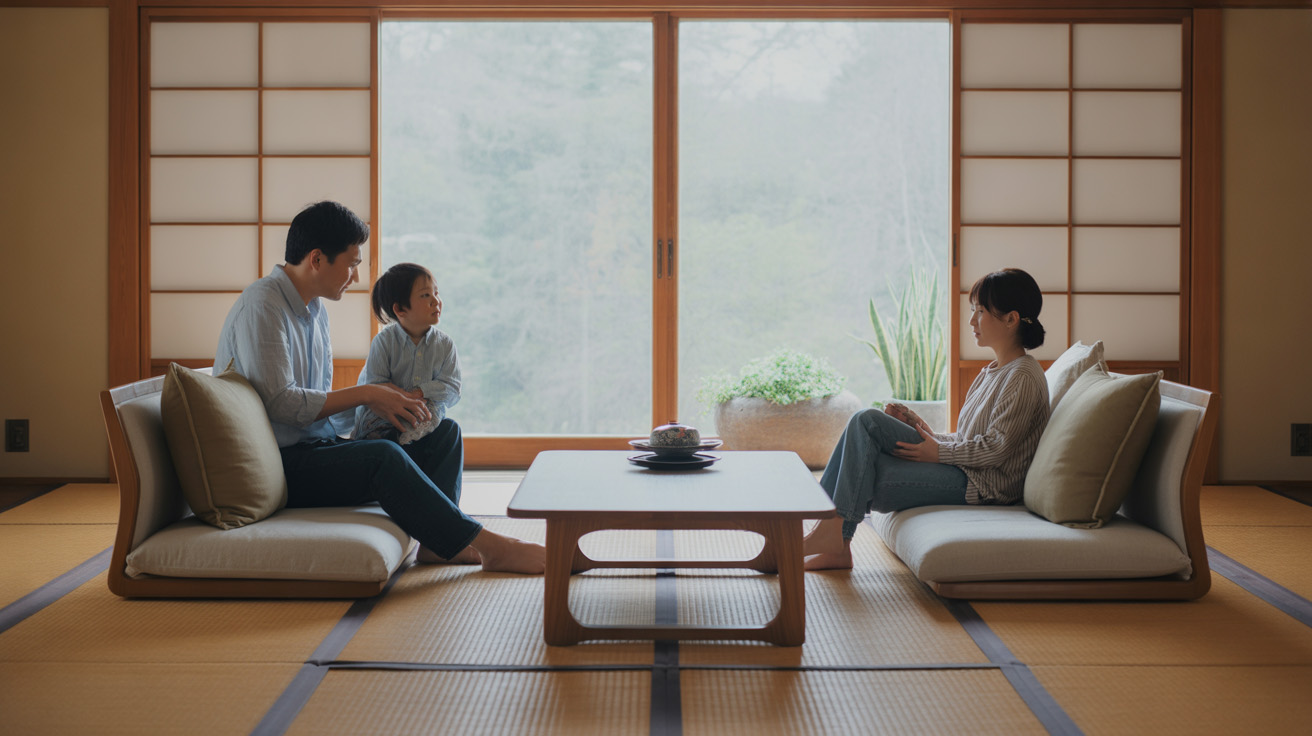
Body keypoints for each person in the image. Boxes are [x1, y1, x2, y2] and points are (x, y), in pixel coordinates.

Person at [214, 200, 545, 574]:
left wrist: (383, 410)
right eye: (352, 264)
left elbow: (320, 409)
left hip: (317, 448)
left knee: (444, 434)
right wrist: (370, 393)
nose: (355, 276)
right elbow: (281, 405)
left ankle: (440, 547)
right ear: (318, 260)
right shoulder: (264, 305)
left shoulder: (314, 310)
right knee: (382, 457)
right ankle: (491, 546)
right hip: (284, 465)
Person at [802, 267, 1050, 571]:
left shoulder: (1023, 375)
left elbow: (996, 449)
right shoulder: (992, 371)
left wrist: (939, 452)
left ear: (1011, 319)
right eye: (973, 310)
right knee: (865, 422)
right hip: (965, 470)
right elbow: (967, 437)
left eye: (981, 311)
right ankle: (827, 537)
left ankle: (830, 539)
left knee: (865, 454)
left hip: (985, 487)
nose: (972, 320)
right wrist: (925, 431)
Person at [353, 263, 460, 447]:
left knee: (451, 431)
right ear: (400, 309)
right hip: (386, 423)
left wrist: (419, 392)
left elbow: (452, 388)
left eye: (436, 292)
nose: (436, 300)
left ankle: (427, 476)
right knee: (386, 445)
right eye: (426, 295)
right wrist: (403, 398)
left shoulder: (445, 344)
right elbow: (375, 386)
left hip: (425, 421)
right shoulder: (384, 342)